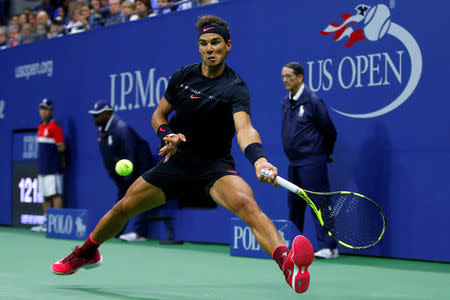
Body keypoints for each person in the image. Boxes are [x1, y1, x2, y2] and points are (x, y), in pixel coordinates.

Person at [50, 15, 314, 294]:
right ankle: (87, 252)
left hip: (214, 166)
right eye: (203, 44)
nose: (209, 49)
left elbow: (245, 128)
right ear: (198, 46)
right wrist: (167, 135)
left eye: (215, 43)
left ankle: (287, 264)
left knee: (247, 203)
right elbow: (159, 114)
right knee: (123, 208)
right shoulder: (183, 77)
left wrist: (259, 159)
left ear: (228, 46)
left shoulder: (235, 87)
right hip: (177, 163)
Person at [280, 62, 338, 259]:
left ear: (300, 77)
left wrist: (324, 152)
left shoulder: (313, 100)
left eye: (289, 76)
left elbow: (329, 130)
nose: (285, 80)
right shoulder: (286, 103)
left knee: (319, 203)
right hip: (294, 162)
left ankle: (329, 247)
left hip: (313, 160)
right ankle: (294, 245)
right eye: (283, 77)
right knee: (294, 205)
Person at [88, 101, 155, 242]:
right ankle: (116, 232)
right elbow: (108, 159)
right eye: (94, 115)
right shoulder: (102, 132)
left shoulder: (121, 128)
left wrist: (127, 178)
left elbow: (130, 154)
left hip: (140, 167)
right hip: (124, 174)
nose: (94, 118)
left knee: (142, 198)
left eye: (98, 115)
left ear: (108, 114)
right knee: (122, 201)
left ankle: (139, 233)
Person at [31, 98, 66, 232]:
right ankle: (47, 224)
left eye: (46, 109)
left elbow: (61, 148)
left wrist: (60, 164)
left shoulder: (54, 127)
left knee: (55, 195)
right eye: (41, 108)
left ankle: (58, 224)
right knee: (45, 196)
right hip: (42, 168)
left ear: (51, 111)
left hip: (53, 169)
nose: (43, 111)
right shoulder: (41, 127)